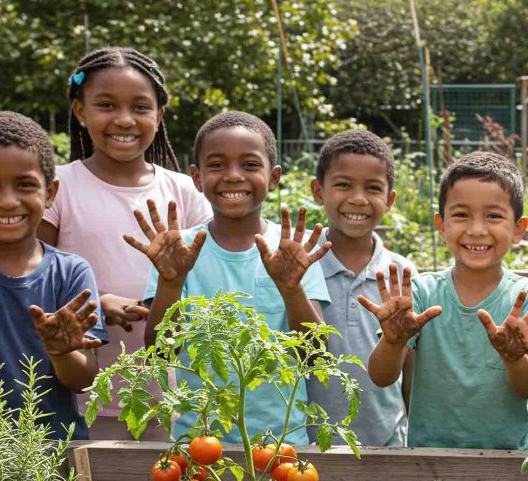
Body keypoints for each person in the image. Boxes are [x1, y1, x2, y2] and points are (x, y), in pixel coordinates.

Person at [39, 46, 212, 440]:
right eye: (106, 105)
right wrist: (98, 303)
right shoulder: (58, 189)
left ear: (159, 115)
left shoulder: (184, 191)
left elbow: (210, 281)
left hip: (171, 395)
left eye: (139, 107)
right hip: (80, 394)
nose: (124, 119)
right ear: (81, 112)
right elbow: (35, 278)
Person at [131, 112, 330, 444]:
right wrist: (171, 282)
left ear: (274, 177)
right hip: (200, 442)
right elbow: (160, 354)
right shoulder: (180, 252)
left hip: (280, 446)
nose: (233, 176)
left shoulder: (292, 251)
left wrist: (291, 289)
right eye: (217, 165)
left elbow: (315, 356)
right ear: (197, 178)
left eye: (250, 165)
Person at [360, 152, 528, 449]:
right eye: (461, 215)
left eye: (494, 216)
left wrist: (514, 357)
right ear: (442, 224)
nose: (477, 229)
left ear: (518, 228)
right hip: (427, 459)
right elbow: (381, 377)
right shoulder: (422, 292)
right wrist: (393, 341)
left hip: (506, 463)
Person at [0, 111, 106, 439]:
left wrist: (62, 351)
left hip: (57, 456)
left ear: (49, 192)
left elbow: (84, 379)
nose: (6, 201)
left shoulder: (71, 272)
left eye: (25, 184)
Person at [305, 130, 416, 446]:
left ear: (390, 199)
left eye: (373, 188)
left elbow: (412, 372)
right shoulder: (300, 266)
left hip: (388, 444)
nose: (357, 198)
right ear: (318, 191)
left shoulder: (403, 274)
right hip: (306, 448)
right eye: (343, 185)